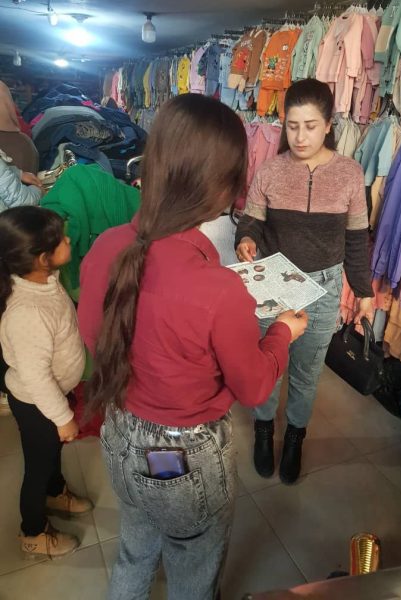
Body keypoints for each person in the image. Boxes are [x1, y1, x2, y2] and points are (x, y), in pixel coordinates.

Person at [77, 94, 308, 600]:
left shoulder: (106, 247)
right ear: (223, 186)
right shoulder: (219, 290)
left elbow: (94, 337)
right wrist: (282, 333)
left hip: (119, 436)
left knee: (135, 550)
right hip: (179, 459)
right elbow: (253, 387)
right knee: (192, 567)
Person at [235, 78, 374, 485]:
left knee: (307, 371)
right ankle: (264, 429)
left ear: (329, 125)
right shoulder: (270, 170)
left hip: (324, 289)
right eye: (293, 126)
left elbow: (356, 239)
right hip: (274, 282)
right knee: (268, 362)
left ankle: (295, 436)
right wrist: (246, 239)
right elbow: (251, 221)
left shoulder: (349, 174)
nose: (300, 136)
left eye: (310, 126)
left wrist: (363, 292)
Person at [0, 206, 92, 559]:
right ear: (42, 258)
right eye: (61, 240)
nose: (68, 239)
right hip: (37, 404)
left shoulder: (45, 281)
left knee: (52, 454)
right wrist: (63, 417)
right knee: (37, 467)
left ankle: (56, 492)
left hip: (52, 397)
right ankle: (33, 531)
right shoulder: (26, 312)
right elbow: (36, 377)